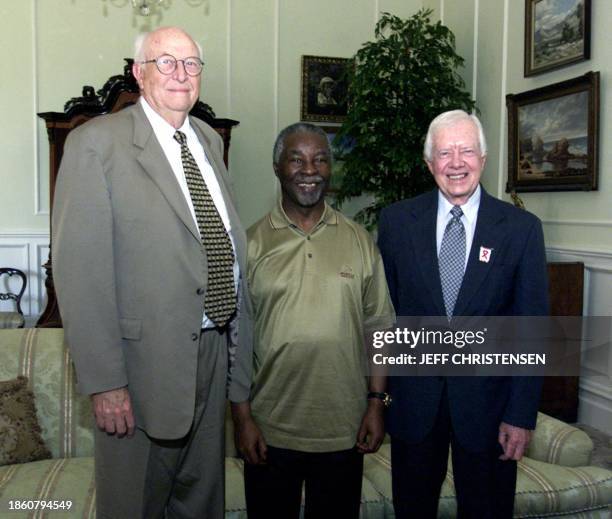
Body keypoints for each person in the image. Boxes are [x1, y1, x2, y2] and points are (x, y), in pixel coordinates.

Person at [52, 27, 252, 519]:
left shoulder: (206, 138)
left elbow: (218, 245)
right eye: (165, 62)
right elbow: (80, 274)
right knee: (133, 506)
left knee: (201, 504)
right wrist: (105, 382)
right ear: (140, 73)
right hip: (139, 372)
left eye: (191, 64)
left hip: (210, 352)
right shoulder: (95, 144)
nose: (180, 74)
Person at [377, 110, 549, 518]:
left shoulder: (521, 229)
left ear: (484, 159)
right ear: (429, 163)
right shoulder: (397, 222)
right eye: (444, 153)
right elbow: (385, 315)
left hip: (489, 410)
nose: (456, 163)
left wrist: (520, 415)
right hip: (415, 406)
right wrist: (376, 398)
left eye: (467, 151)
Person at [231, 122, 395, 519]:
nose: (310, 169)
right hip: (270, 430)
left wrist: (376, 404)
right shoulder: (250, 244)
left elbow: (380, 329)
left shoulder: (359, 241)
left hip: (343, 430)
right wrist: (242, 419)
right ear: (277, 167)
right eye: (297, 159)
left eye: (320, 159)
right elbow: (234, 341)